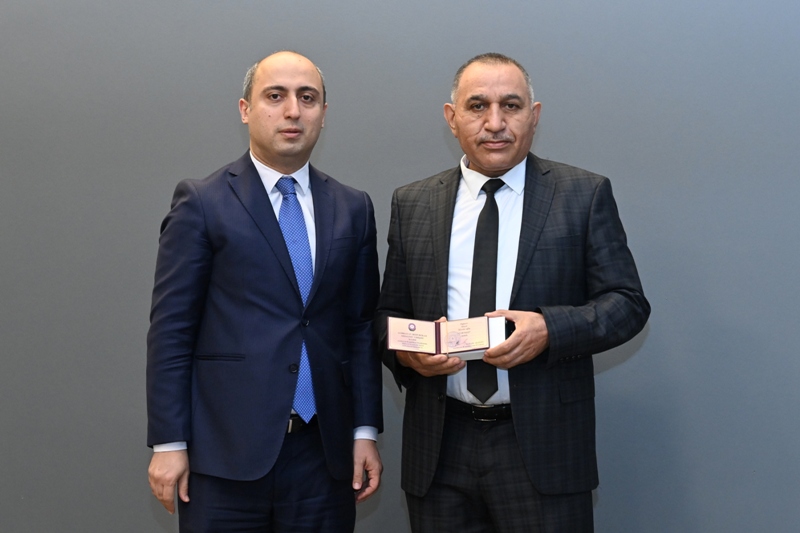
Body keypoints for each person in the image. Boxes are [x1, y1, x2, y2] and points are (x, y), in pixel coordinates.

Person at [376, 52, 650, 532]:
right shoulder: (413, 202)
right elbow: (387, 315)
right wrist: (407, 354)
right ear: (452, 118)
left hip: (543, 448)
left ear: (534, 115)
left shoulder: (583, 195)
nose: (495, 123)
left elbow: (627, 303)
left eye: (511, 105)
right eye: (477, 106)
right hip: (439, 448)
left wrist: (549, 329)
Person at [146, 50, 383, 532]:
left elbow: (359, 328)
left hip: (323, 456)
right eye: (275, 96)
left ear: (323, 113)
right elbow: (171, 330)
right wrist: (169, 442)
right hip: (224, 456)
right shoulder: (203, 202)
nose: (293, 111)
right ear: (245, 109)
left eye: (307, 98)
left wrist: (364, 430)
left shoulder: (353, 207)